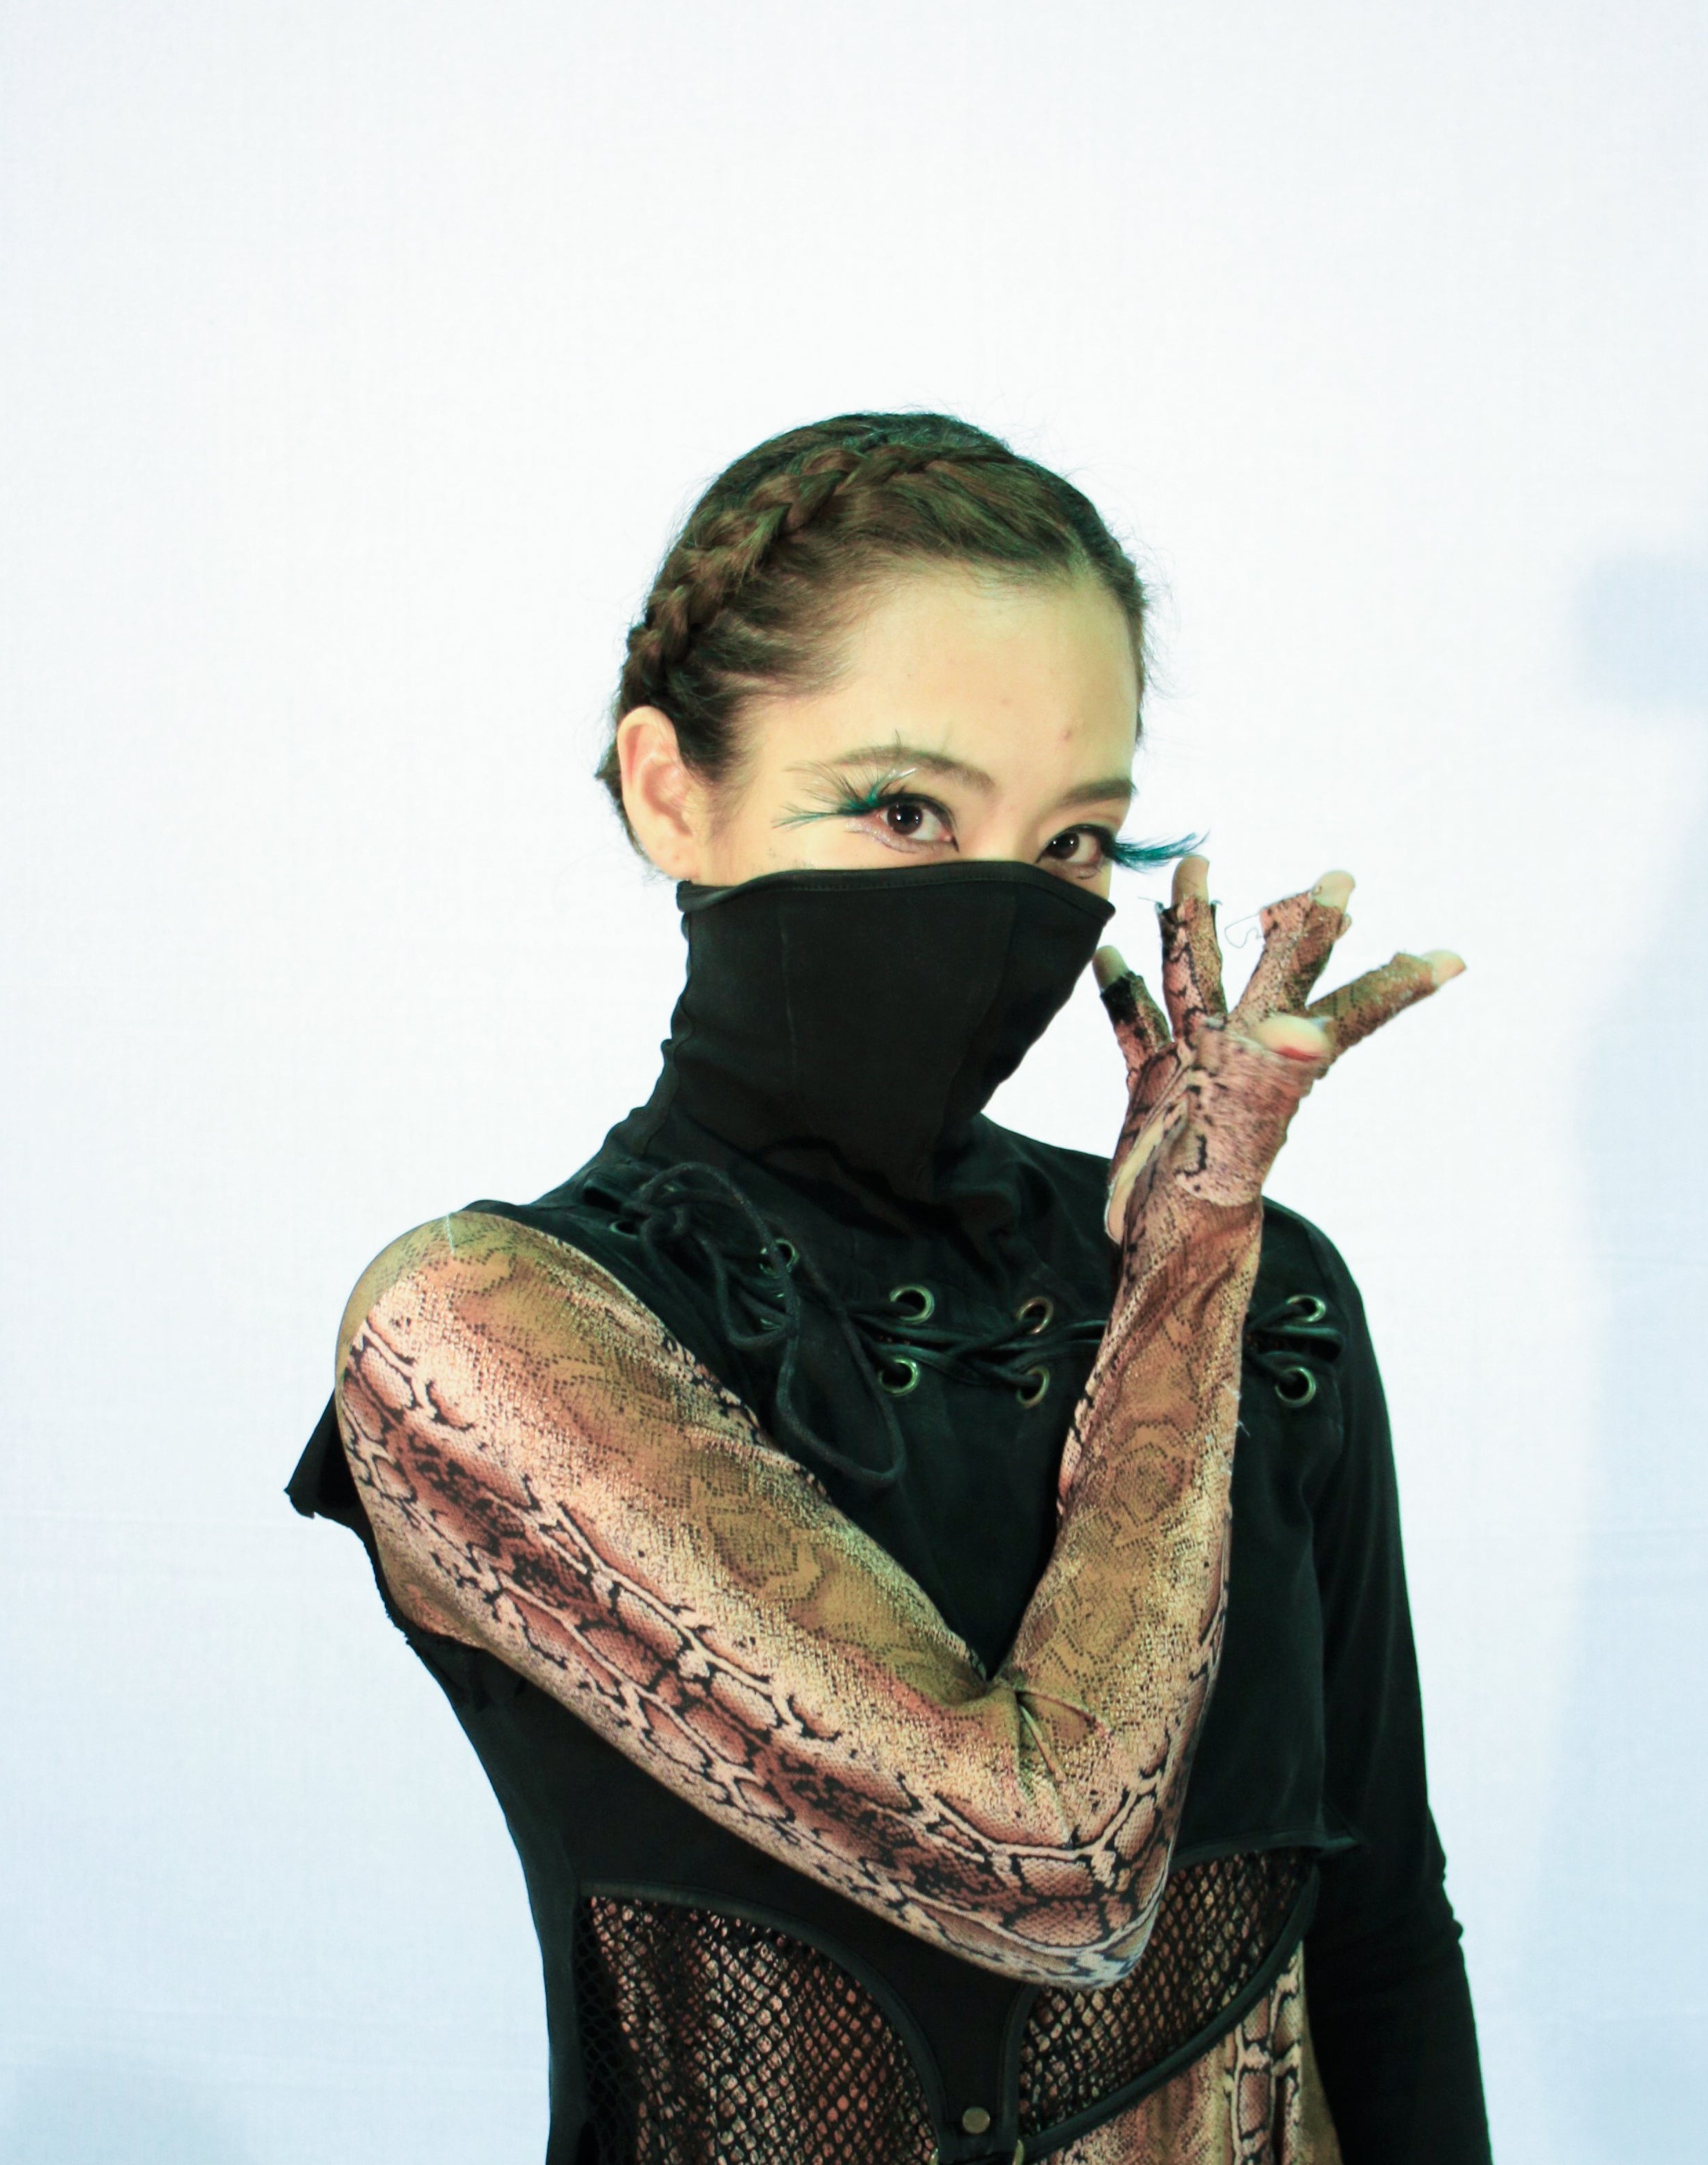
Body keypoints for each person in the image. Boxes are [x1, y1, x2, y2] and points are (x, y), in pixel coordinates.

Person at [287, 412, 1492, 2164]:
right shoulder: (487, 1331)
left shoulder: (1261, 1279)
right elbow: (1053, 1867)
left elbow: (1380, 1938)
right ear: (670, 788)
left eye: (1075, 842)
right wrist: (1181, 1292)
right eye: (906, 809)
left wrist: (1202, 1264)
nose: (1005, 906)